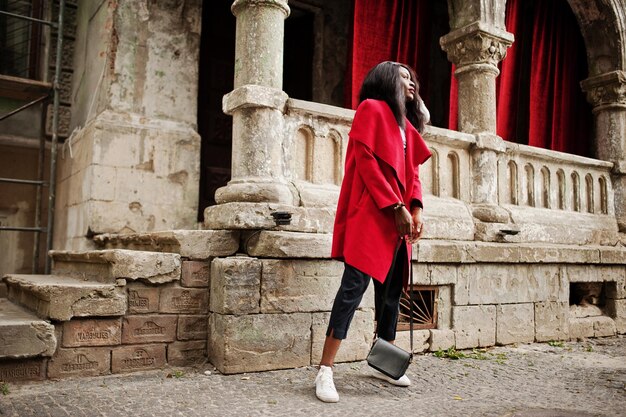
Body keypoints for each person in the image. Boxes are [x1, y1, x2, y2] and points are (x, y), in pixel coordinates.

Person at [315, 61, 432, 403]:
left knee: (391, 294)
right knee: (352, 290)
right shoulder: (371, 109)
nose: (410, 83)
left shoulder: (407, 128)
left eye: (413, 77)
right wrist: (394, 207)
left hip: (399, 223)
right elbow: (365, 161)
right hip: (373, 216)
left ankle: (384, 361)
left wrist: (416, 209)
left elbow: (413, 177)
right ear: (385, 80)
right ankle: (326, 370)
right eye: (403, 77)